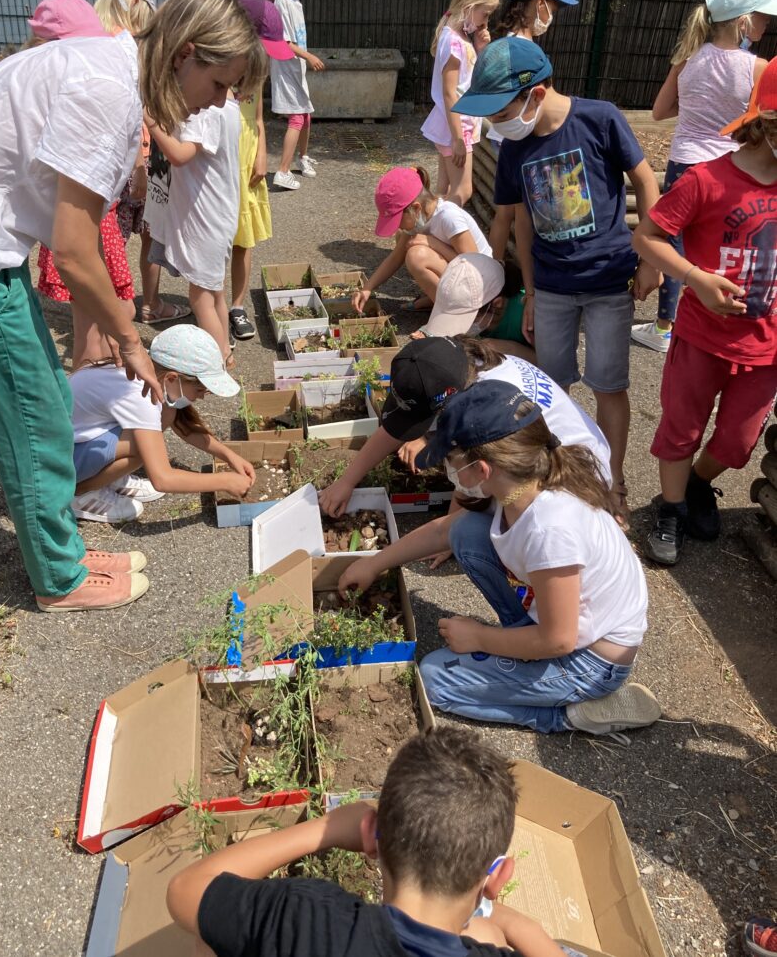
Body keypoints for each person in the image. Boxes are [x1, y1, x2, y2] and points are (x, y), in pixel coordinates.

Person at [0, 0, 264, 612]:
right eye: (219, 84)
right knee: (35, 426)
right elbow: (75, 248)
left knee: (51, 402)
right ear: (186, 54)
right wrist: (129, 338)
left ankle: (66, 548)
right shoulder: (112, 91)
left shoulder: (112, 65)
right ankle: (60, 578)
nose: (219, 102)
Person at [340, 383, 660, 737]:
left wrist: (480, 637)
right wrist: (375, 563)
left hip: (589, 662)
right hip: (567, 628)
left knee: (434, 680)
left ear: (482, 470)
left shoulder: (550, 529)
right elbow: (444, 532)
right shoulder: (524, 481)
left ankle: (570, 715)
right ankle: (519, 643)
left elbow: (559, 640)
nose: (448, 472)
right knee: (467, 532)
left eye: (450, 462)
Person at [456, 37, 662, 520]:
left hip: (609, 280)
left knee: (609, 386)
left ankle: (613, 483)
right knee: (551, 385)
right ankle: (560, 476)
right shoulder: (511, 148)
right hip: (550, 287)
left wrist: (653, 256)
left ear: (537, 92)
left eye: (500, 107)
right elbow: (523, 222)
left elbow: (647, 182)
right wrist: (528, 291)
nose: (496, 120)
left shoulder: (601, 118)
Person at [167, 725, 567, 956]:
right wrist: (506, 919)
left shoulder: (307, 915)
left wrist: (321, 830)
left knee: (213, 935)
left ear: (370, 835)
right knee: (484, 933)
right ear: (498, 878)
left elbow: (186, 890)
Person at [633, 57, 777, 567]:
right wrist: (695, 277)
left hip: (766, 346)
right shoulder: (707, 180)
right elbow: (647, 237)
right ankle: (670, 508)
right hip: (701, 335)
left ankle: (695, 484)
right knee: (681, 429)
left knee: (738, 443)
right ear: (767, 123)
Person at [319, 336, 610, 522]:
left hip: (573, 481)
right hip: (563, 451)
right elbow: (393, 431)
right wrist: (347, 481)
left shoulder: (487, 408)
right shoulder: (464, 360)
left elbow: (470, 482)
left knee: (471, 535)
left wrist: (446, 532)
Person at [635, 0, 775, 353]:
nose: (766, 23)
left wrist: (697, 106)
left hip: (684, 163)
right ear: (743, 20)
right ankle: (727, 317)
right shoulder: (758, 68)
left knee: (674, 247)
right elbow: (758, 125)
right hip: (728, 169)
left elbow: (661, 110)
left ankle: (665, 324)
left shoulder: (687, 60)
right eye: (762, 16)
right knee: (725, 244)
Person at [28, 0, 140, 370]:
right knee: (97, 322)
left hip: (87, 221)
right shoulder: (70, 96)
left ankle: (94, 392)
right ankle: (92, 402)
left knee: (93, 321)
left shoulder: (43, 90)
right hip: (87, 224)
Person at [70, 326, 255, 523]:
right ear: (172, 378)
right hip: (54, 463)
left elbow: (183, 424)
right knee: (144, 449)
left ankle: (107, 478)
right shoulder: (141, 396)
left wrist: (228, 455)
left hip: (70, 445)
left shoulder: (149, 372)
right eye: (201, 389)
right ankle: (79, 493)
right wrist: (224, 481)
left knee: (165, 417)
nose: (201, 397)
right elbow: (162, 479)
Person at [144, 47, 257, 368]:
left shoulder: (205, 112)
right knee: (214, 292)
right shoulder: (231, 107)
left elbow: (180, 155)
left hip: (204, 219)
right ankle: (226, 352)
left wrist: (152, 123)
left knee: (199, 297)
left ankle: (217, 359)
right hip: (219, 215)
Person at [95, 0, 190, 327]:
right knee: (126, 237)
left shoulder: (98, 38)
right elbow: (128, 114)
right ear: (135, 5)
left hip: (128, 158)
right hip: (133, 162)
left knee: (114, 238)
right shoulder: (123, 46)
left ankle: (129, 307)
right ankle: (125, 310)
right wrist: (138, 164)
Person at [489, 0, 579, 260]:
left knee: (508, 213)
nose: (553, 14)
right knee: (521, 214)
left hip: (507, 131)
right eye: (554, 5)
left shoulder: (508, 43)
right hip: (519, 130)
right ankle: (516, 281)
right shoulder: (522, 50)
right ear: (541, 3)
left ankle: (495, 273)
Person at [228, 0, 291, 345]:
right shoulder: (217, 68)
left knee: (244, 239)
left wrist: (263, 152)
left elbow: (257, 117)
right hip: (222, 163)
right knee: (213, 239)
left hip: (248, 160)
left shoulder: (258, 69)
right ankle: (205, 299)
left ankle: (236, 306)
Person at [352, 165, 493, 315]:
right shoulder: (417, 219)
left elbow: (476, 267)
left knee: (416, 256)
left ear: (416, 208)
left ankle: (449, 315)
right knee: (405, 240)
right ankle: (437, 300)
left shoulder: (449, 217)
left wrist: (433, 243)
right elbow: (395, 258)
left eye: (398, 220)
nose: (397, 226)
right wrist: (367, 288)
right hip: (463, 279)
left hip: (482, 287)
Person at [421, 0, 500, 207]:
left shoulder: (458, 36)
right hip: (457, 126)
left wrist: (480, 47)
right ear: (469, 5)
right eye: (485, 13)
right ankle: (433, 236)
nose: (486, 21)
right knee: (462, 191)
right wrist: (457, 138)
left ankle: (428, 234)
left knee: (443, 191)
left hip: (453, 123)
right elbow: (449, 92)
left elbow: (469, 77)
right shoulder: (454, 42)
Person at [268, 0, 324, 191]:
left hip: (294, 69)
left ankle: (302, 158)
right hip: (287, 68)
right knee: (297, 118)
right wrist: (309, 56)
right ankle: (282, 171)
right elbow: (285, 41)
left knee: (305, 114)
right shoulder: (282, 0)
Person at [415, 253, 536, 361]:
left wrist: (512, 349)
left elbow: (549, 365)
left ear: (497, 303)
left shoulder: (528, 317)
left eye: (465, 317)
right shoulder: (489, 312)